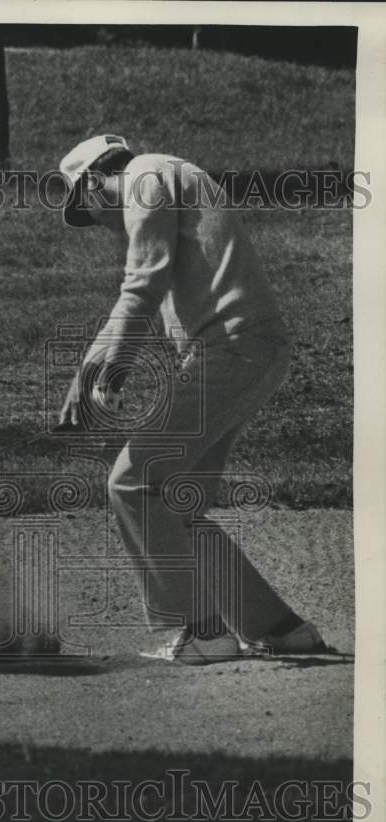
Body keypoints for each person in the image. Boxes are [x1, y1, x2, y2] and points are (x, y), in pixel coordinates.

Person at [57, 134, 330, 663]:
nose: (94, 222)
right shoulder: (164, 178)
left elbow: (141, 285)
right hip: (243, 353)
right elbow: (146, 294)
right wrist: (98, 372)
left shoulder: (144, 178)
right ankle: (279, 628)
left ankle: (199, 633)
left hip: (232, 353)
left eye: (84, 209)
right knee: (176, 506)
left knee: (133, 482)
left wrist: (101, 369)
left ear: (92, 181)